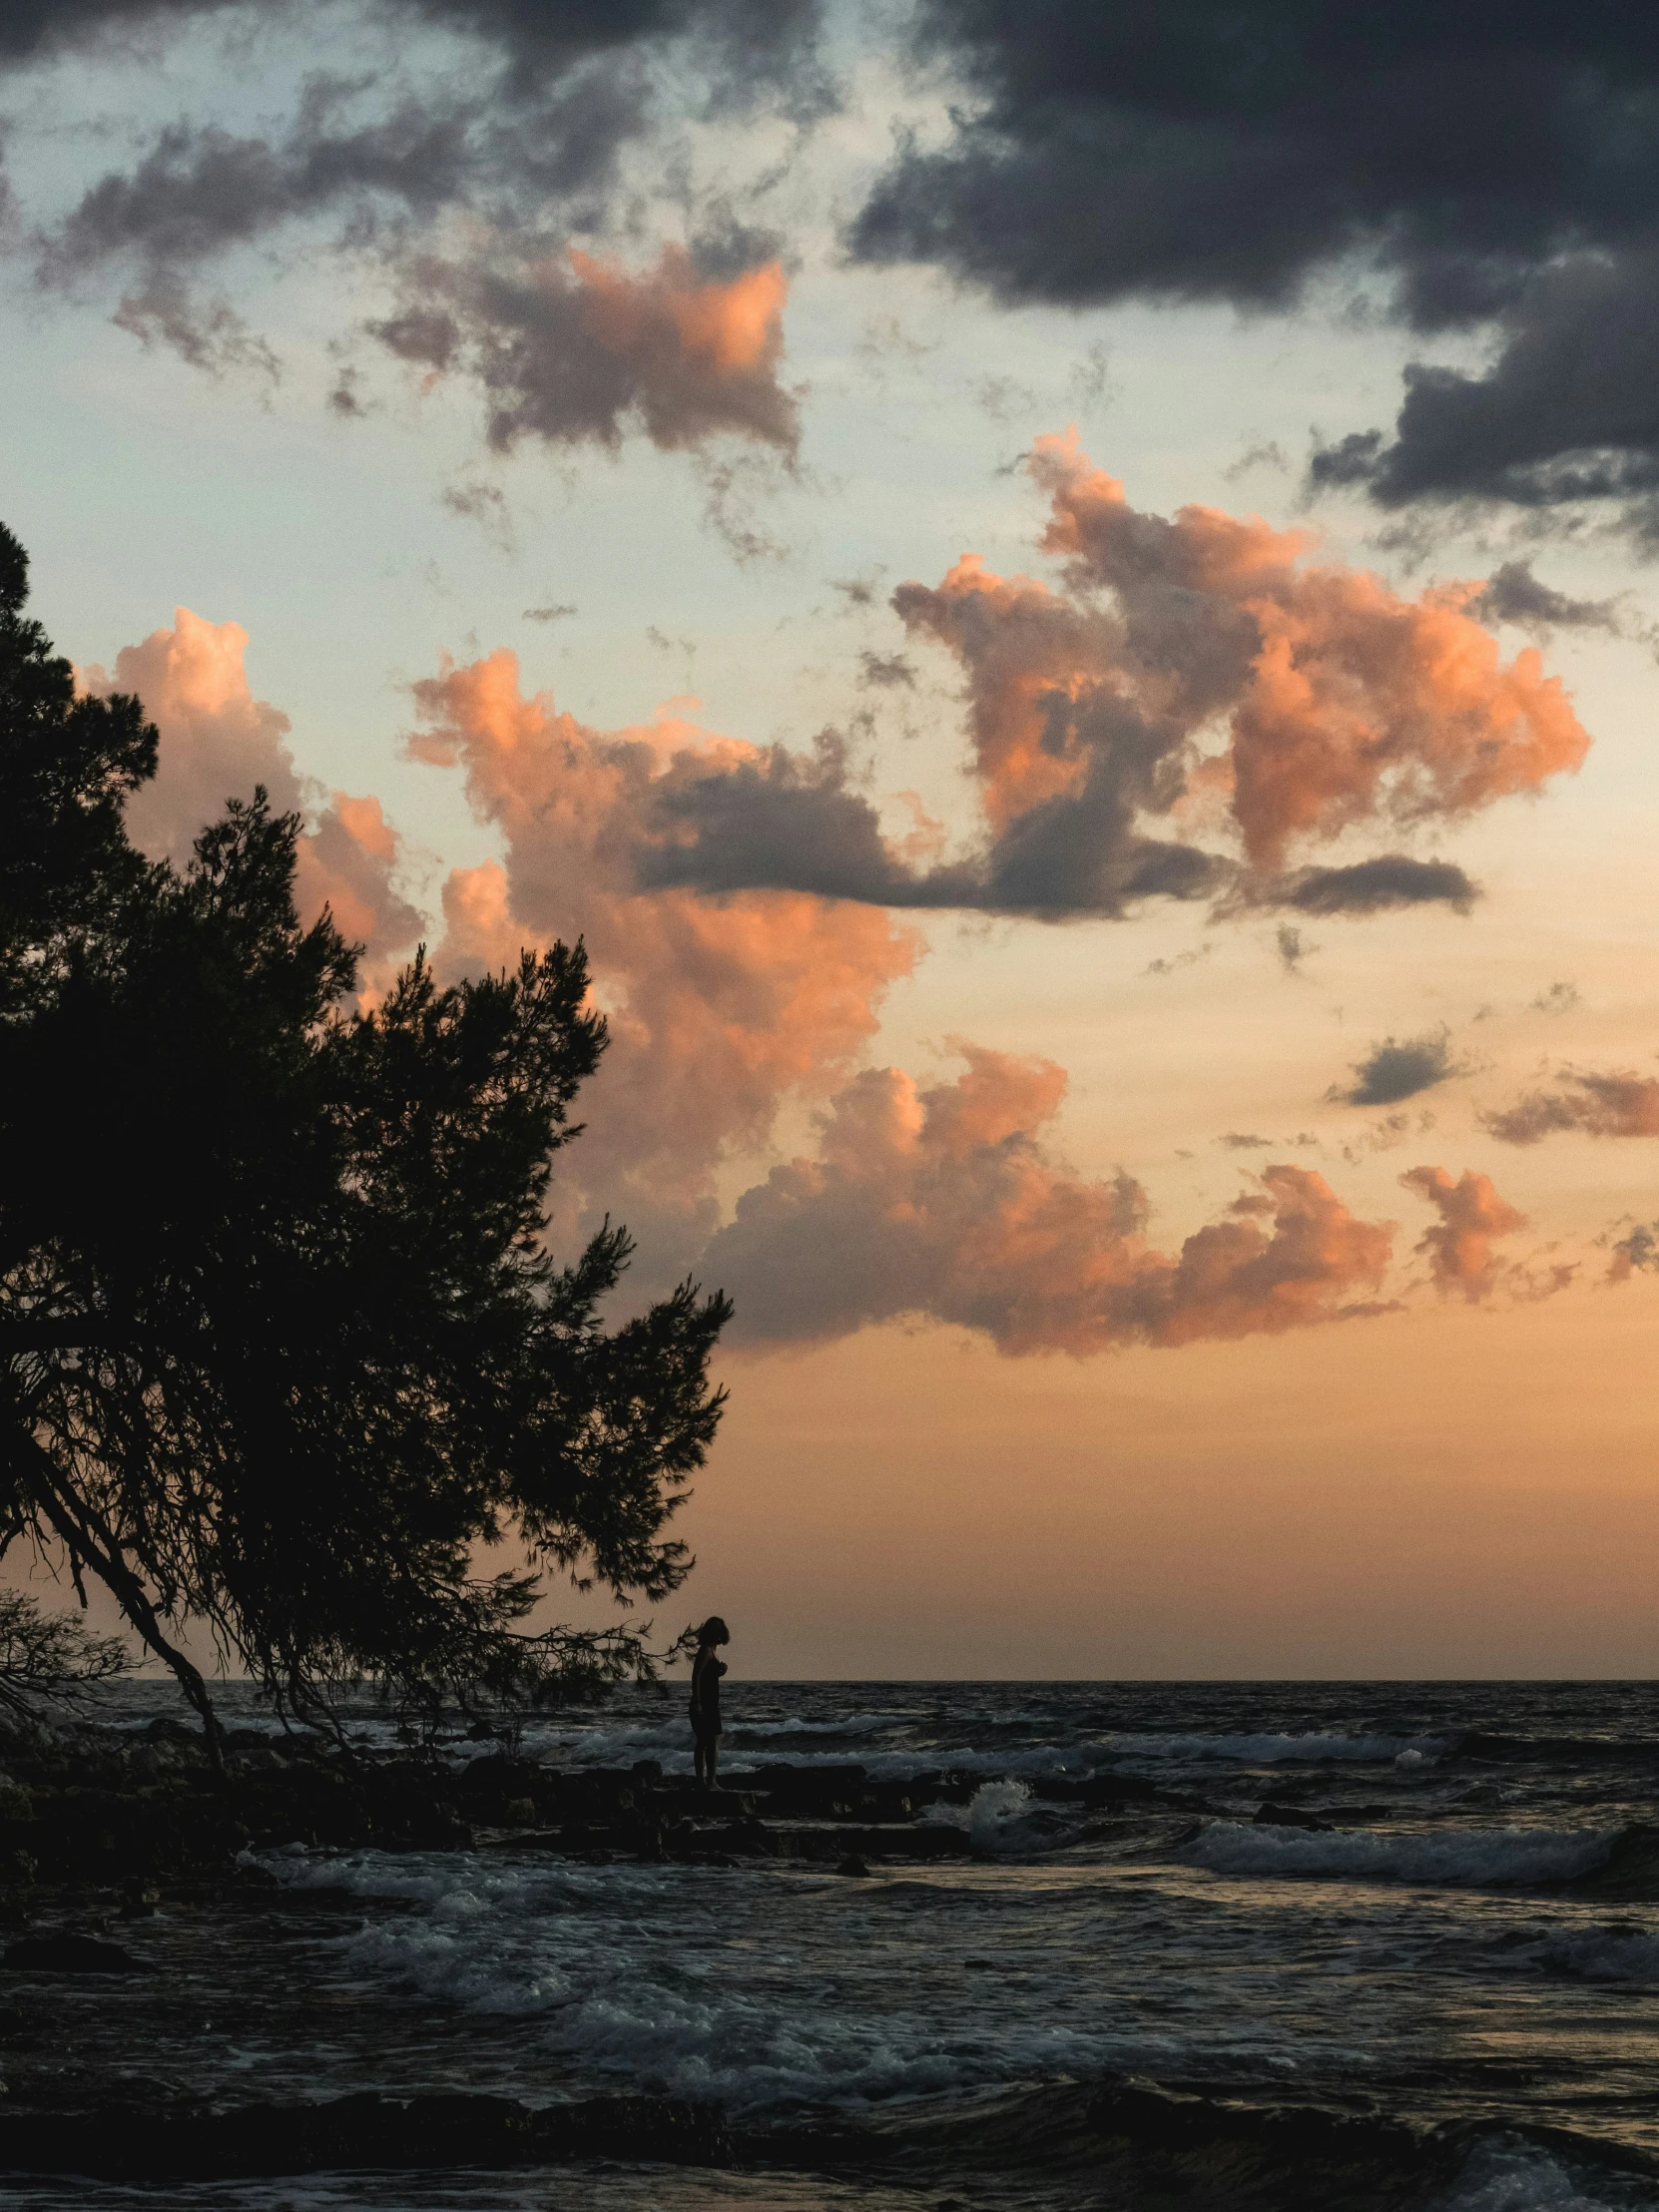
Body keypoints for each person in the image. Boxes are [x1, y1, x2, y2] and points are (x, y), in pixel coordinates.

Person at [689, 1616, 730, 1791]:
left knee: (709, 1742)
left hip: (711, 1702)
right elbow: (696, 1675)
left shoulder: (712, 1650)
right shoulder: (705, 1650)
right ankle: (705, 1781)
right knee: (706, 1742)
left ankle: (708, 1780)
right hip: (703, 1702)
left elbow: (707, 1676)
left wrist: (720, 1672)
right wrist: (697, 1701)